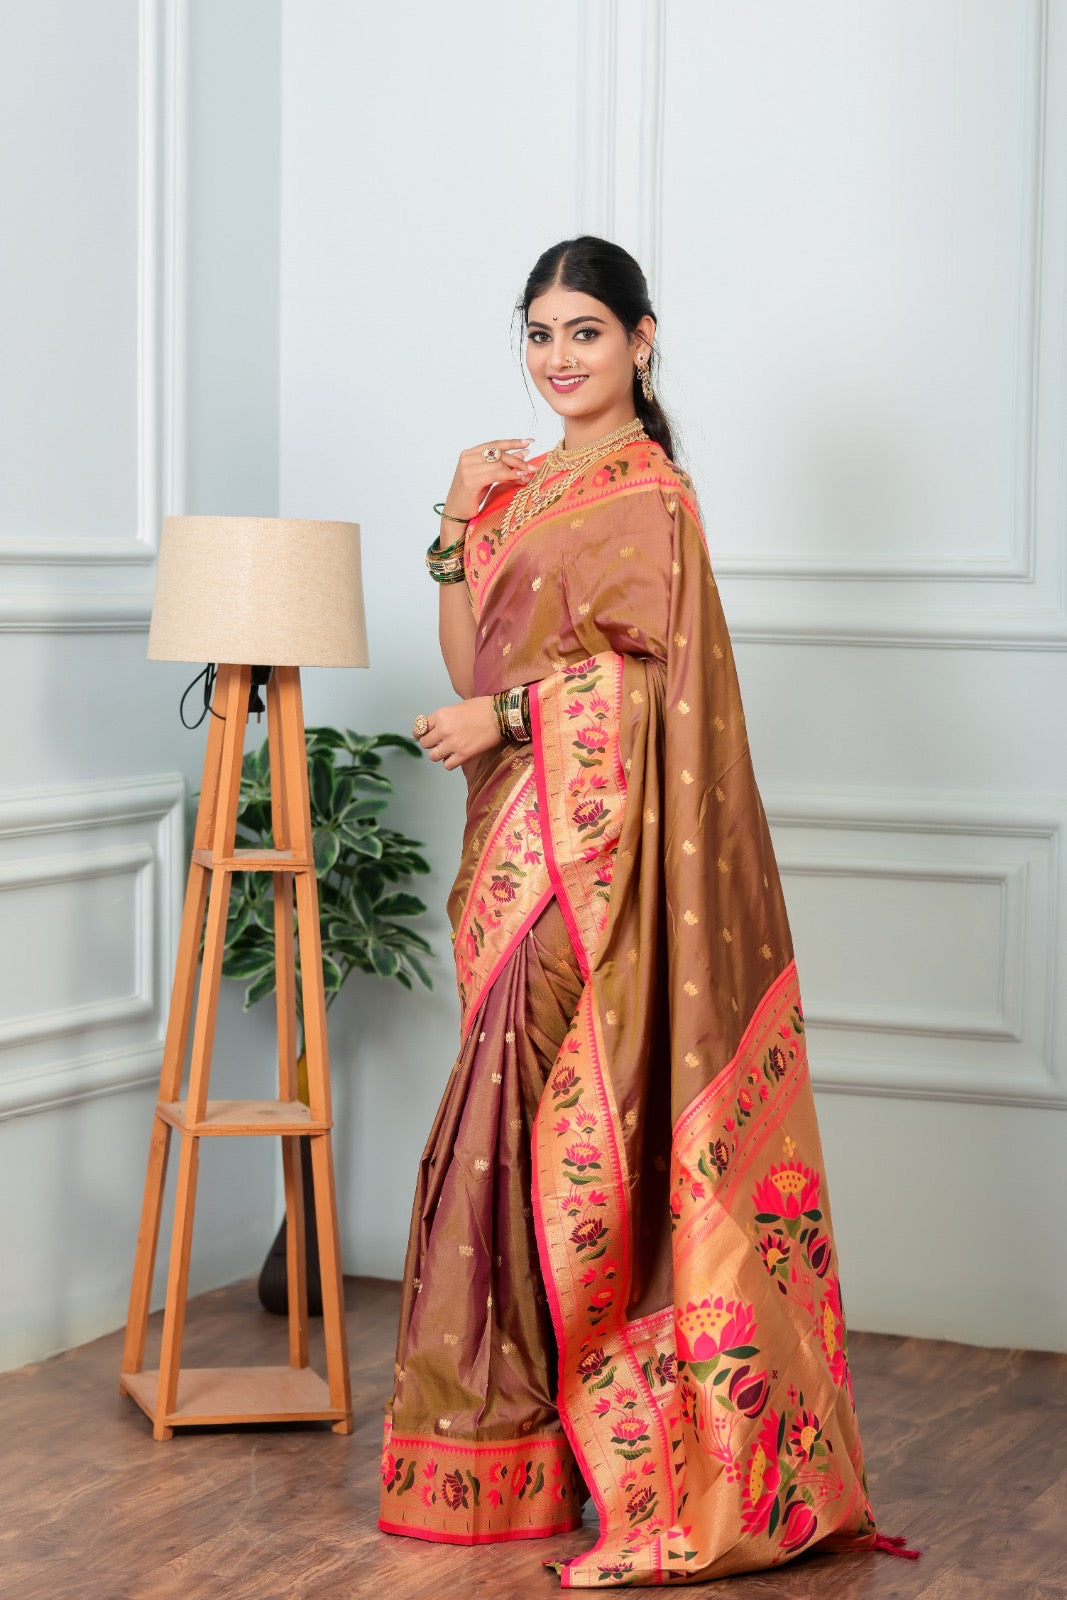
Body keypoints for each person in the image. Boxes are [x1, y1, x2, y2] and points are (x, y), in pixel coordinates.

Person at [379, 237, 908, 1585]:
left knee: (540, 1126)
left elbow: (644, 689)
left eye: (586, 333)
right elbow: (471, 659)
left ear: (642, 340)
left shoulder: (653, 497)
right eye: (539, 334)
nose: (558, 358)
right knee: (505, 1130)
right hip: (514, 839)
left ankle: (572, 1447)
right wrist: (451, 529)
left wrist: (509, 717)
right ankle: (517, 1457)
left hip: (597, 859)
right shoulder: (517, 490)